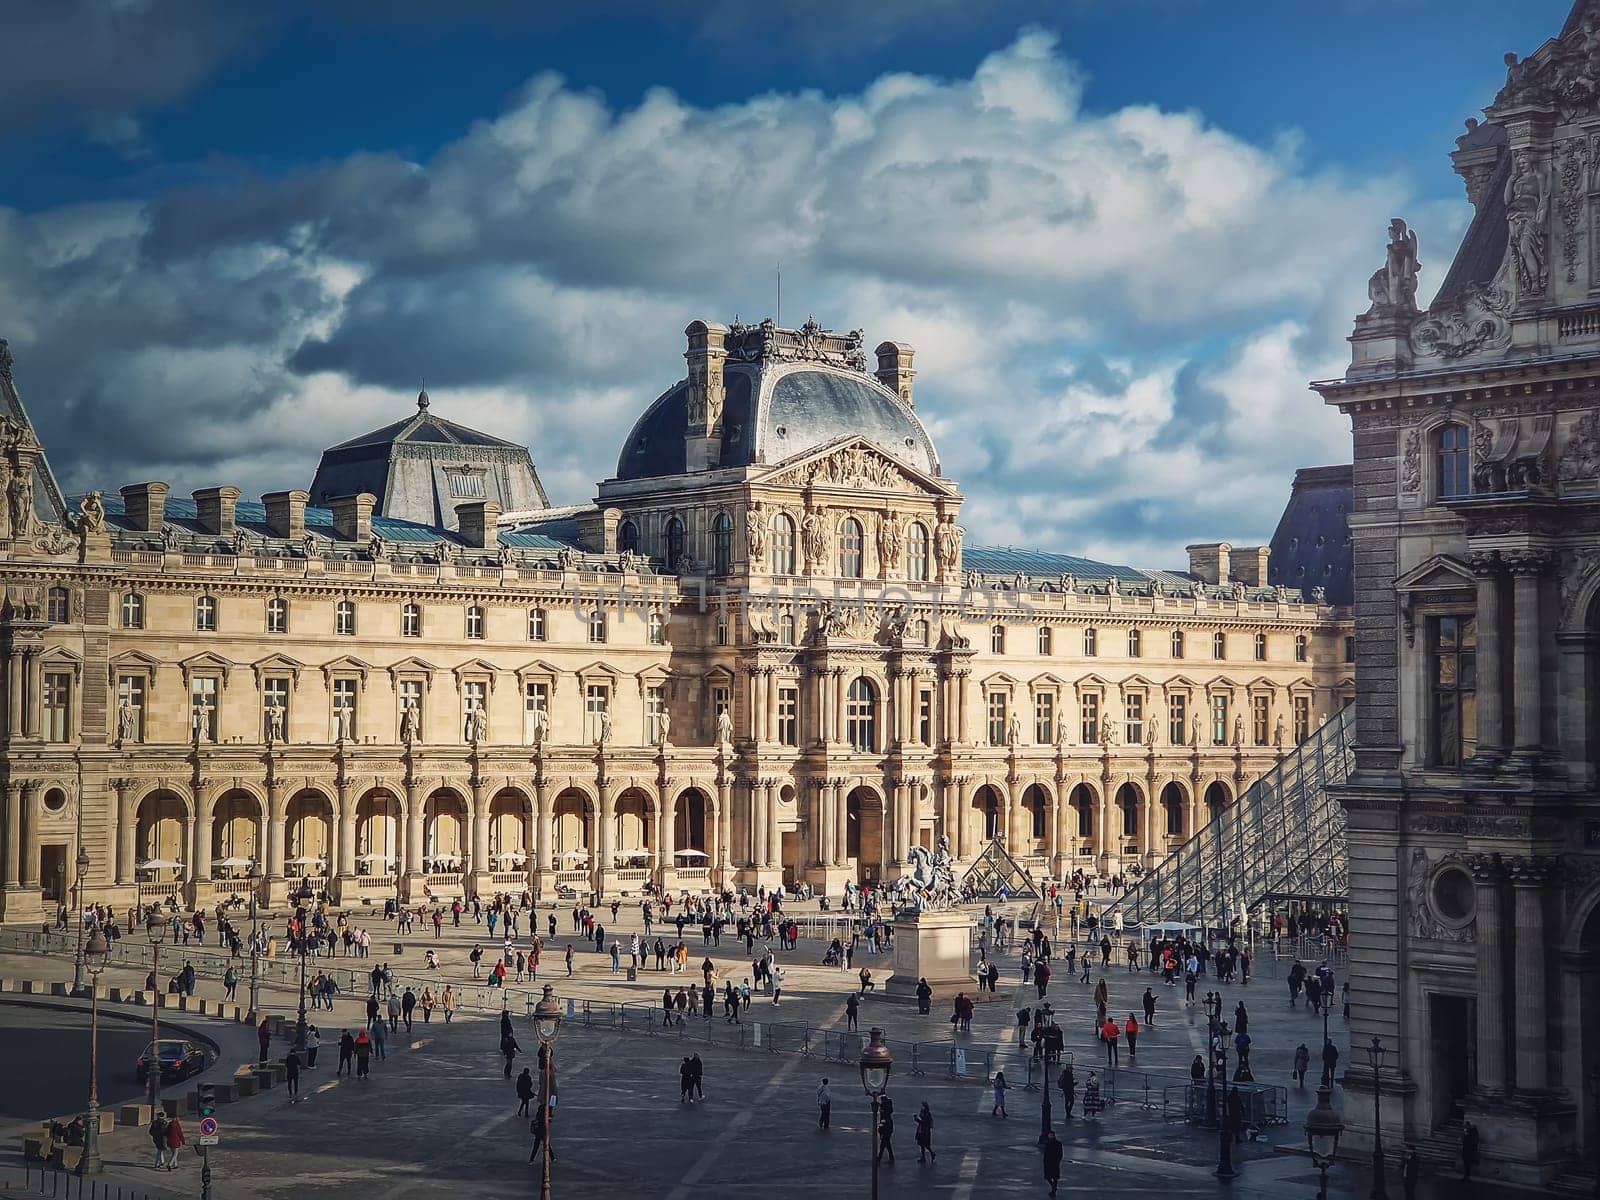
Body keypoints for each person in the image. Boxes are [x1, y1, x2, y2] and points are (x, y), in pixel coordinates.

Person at [1043, 1129, 1064, 1197]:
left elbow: (1060, 1153)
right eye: (1050, 1135)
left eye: (1052, 1135)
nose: (1051, 1136)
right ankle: (1054, 1188)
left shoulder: (1056, 1143)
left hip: (1054, 1162)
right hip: (1049, 1162)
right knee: (1050, 1177)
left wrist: (1058, 1161)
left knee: (1054, 1178)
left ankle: (1053, 1190)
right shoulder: (1048, 1143)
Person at [876, 1095, 895, 1164]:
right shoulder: (887, 1112)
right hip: (888, 1129)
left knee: (883, 1144)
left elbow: (882, 1121)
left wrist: (880, 1130)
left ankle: (879, 1158)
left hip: (886, 1130)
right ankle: (890, 1157)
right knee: (887, 1144)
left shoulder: (884, 1114)